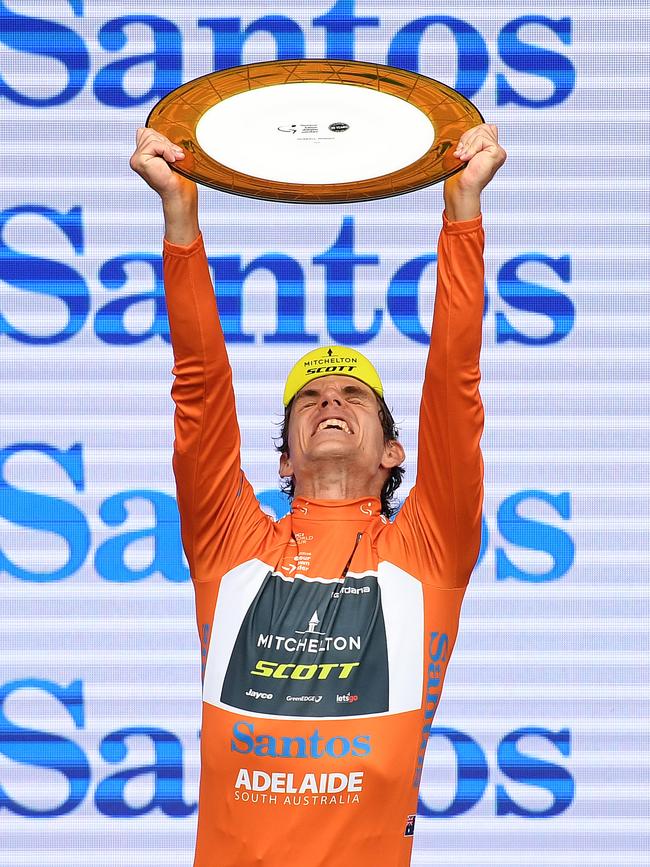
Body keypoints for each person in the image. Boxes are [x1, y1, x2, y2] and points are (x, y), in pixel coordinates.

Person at [130, 121, 506, 867]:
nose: (330, 401)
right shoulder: (231, 541)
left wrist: (462, 212)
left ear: (394, 451)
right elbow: (199, 388)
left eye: (353, 394)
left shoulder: (431, 548)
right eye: (310, 397)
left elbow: (454, 384)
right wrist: (180, 218)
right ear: (284, 461)